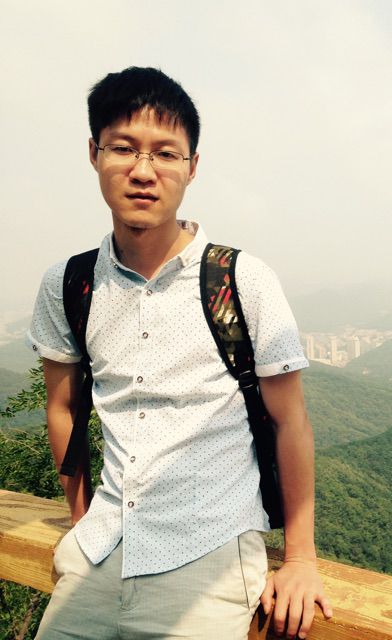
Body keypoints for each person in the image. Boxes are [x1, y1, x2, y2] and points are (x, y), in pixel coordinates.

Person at [28, 66, 331, 640]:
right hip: (97, 553)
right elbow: (61, 406)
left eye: (166, 154)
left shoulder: (241, 280)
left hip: (208, 562)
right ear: (94, 154)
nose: (144, 171)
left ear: (192, 167)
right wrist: (81, 518)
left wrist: (299, 559)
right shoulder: (69, 284)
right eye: (124, 148)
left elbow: (290, 420)